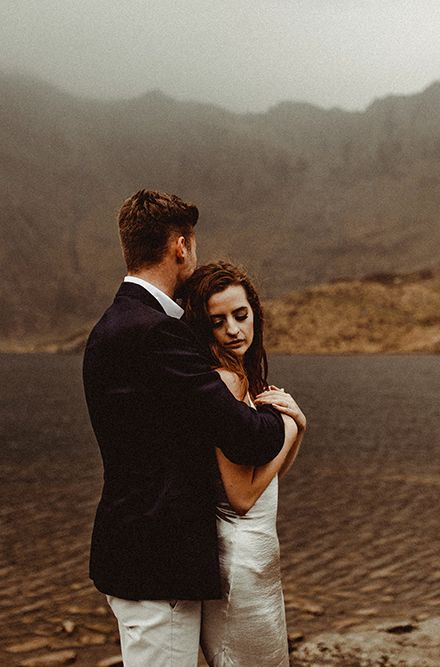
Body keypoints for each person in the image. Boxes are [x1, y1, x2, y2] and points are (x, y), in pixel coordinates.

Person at [82, 190, 296, 667]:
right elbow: (246, 436)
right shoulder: (155, 332)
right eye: (192, 246)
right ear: (181, 246)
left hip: (140, 553)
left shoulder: (114, 325)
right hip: (158, 564)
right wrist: (288, 417)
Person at [183, 261, 306, 667]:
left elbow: (268, 479)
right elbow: (241, 497)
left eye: (241, 315)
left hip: (259, 555)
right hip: (240, 561)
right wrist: (288, 428)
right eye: (218, 322)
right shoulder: (225, 382)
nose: (234, 330)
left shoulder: (241, 377)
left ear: (254, 311)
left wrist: (298, 430)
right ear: (204, 329)